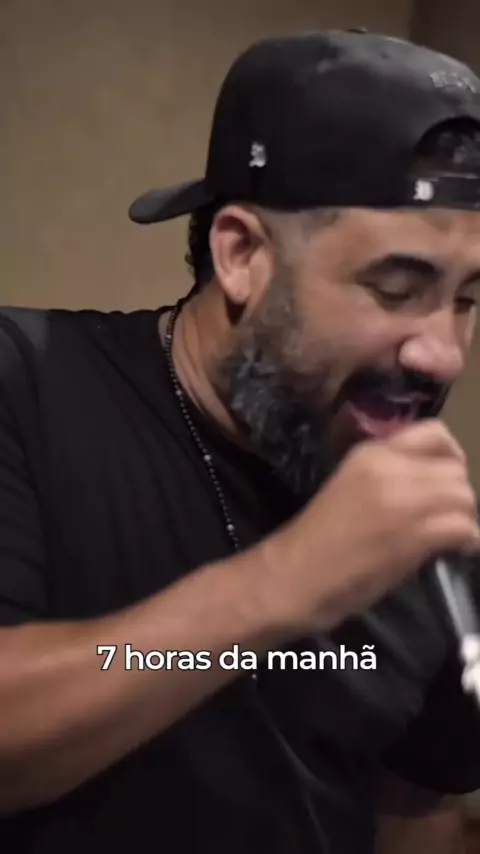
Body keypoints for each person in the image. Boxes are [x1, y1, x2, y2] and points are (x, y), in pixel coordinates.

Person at [2, 27, 480, 854]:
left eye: (467, 300)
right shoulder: (25, 384)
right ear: (241, 254)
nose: (443, 353)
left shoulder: (409, 507)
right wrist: (289, 581)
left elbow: (413, 808)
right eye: (396, 289)